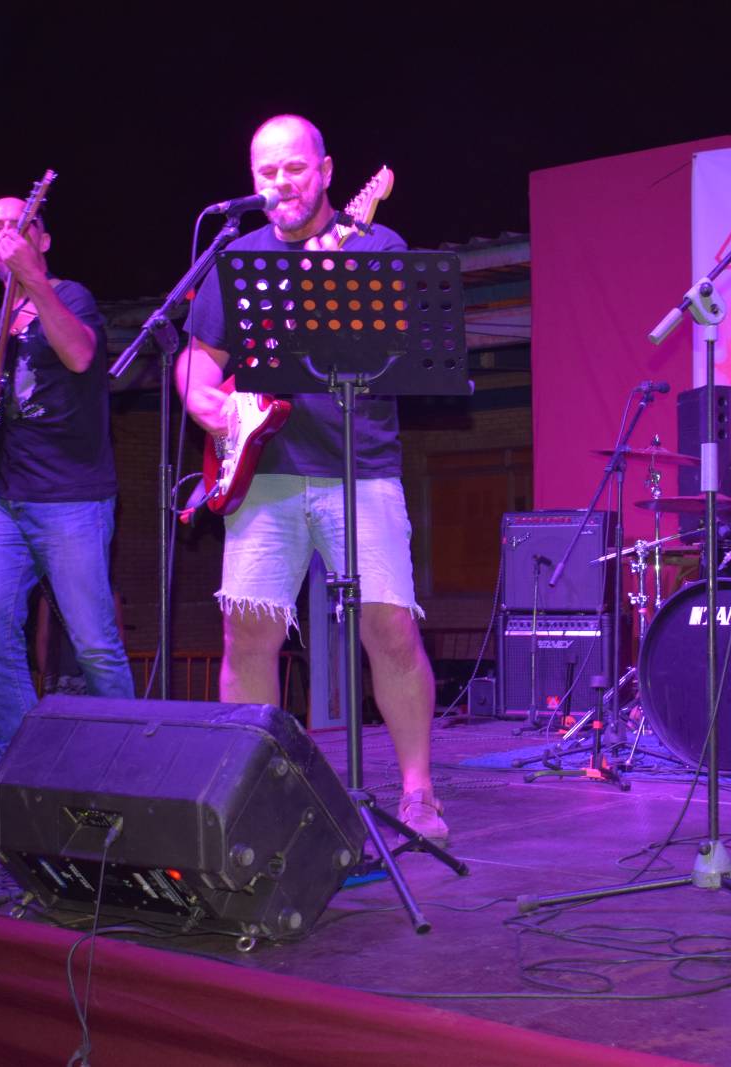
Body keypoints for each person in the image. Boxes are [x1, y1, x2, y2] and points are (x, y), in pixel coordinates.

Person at [175, 114, 448, 844]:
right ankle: (254, 791)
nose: (280, 183)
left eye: (293, 168)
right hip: (263, 470)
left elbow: (401, 347)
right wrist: (201, 399)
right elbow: (200, 359)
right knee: (248, 633)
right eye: (265, 172)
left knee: (389, 628)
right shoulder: (237, 257)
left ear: (325, 171)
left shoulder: (375, 245)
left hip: (359, 465)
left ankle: (417, 792)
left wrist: (333, 290)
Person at [0, 197, 134, 800]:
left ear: (43, 240)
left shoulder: (71, 295)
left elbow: (80, 355)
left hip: (71, 497)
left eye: (19, 224)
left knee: (93, 643)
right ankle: (16, 761)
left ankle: (124, 767)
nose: (7, 234)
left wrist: (33, 280)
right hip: (7, 497)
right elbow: (15, 402)